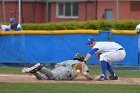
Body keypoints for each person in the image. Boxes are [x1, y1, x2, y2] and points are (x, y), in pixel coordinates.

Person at [22, 53, 93, 80]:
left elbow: (57, 65)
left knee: (43, 78)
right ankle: (40, 67)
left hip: (61, 69)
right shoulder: (83, 64)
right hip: (67, 73)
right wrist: (90, 78)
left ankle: (35, 71)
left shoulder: (69, 61)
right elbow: (85, 74)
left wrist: (58, 69)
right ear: (82, 59)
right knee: (52, 76)